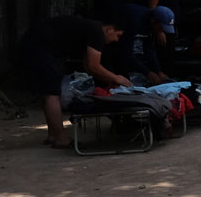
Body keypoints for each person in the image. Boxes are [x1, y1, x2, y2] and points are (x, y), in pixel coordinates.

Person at [17, 13, 130, 148]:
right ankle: (60, 139)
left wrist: (108, 83)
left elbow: (89, 66)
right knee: (52, 93)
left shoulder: (90, 29)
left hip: (35, 45)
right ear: (109, 29)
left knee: (49, 92)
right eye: (117, 35)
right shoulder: (97, 32)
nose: (116, 40)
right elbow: (94, 66)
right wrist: (117, 78)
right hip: (39, 48)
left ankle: (53, 135)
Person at [102, 3, 171, 85]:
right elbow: (126, 52)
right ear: (154, 21)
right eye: (161, 28)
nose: (162, 31)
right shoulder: (135, 21)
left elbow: (150, 50)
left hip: (124, 37)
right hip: (109, 34)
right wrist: (147, 73)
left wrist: (158, 71)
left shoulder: (152, 24)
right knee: (118, 69)